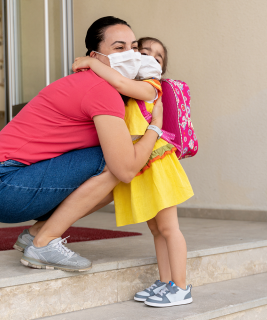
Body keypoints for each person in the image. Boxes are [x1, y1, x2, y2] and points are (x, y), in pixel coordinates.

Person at [0, 16, 163, 272]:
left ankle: (38, 233)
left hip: (0, 181)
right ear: (95, 57)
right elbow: (126, 168)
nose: (130, 54)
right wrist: (156, 128)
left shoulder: (99, 86)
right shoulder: (100, 90)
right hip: (3, 184)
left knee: (121, 156)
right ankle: (44, 243)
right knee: (120, 161)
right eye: (119, 48)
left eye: (133, 47)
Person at [72, 37, 194, 307]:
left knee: (169, 228)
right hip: (142, 163)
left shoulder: (151, 87)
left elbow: (118, 80)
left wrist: (91, 61)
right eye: (142, 51)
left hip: (158, 163)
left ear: (161, 68)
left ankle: (182, 288)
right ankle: (166, 282)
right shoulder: (127, 93)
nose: (147, 57)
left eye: (157, 56)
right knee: (156, 229)